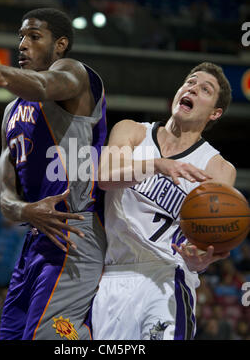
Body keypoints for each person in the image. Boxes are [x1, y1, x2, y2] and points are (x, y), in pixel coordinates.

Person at [0, 8, 107, 340]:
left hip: (74, 232)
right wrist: (25, 210)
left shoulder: (74, 74)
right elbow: (6, 195)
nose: (22, 44)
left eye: (34, 37)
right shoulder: (11, 112)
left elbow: (44, 83)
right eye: (20, 36)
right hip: (35, 237)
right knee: (12, 335)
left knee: (54, 339)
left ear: (60, 44)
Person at [92, 62, 236, 340]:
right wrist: (157, 165)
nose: (193, 88)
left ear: (215, 113)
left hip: (167, 278)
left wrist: (199, 260)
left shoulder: (218, 168)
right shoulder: (132, 131)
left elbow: (204, 242)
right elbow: (105, 176)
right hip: (112, 277)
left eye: (205, 89)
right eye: (190, 82)